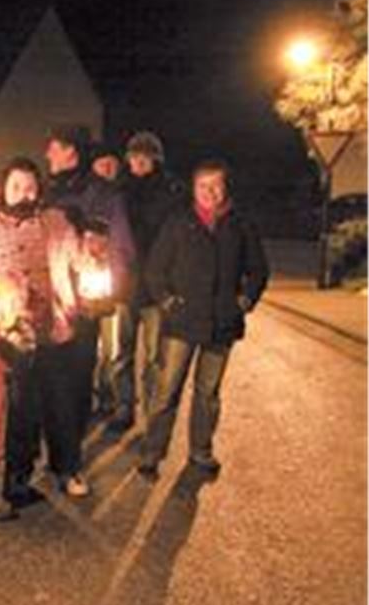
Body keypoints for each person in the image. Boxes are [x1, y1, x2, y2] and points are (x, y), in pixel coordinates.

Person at [0, 158, 95, 504]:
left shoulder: (56, 222)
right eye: (16, 186)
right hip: (12, 333)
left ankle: (67, 467)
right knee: (18, 407)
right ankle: (18, 473)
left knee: (61, 402)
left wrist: (93, 256)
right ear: (4, 189)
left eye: (31, 186)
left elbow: (80, 259)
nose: (24, 194)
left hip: (55, 327)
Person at [138, 159, 269, 479]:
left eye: (216, 185)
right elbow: (155, 269)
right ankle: (152, 453)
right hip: (181, 323)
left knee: (207, 394)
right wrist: (168, 302)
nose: (210, 192)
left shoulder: (241, 225)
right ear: (194, 189)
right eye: (203, 186)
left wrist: (245, 300)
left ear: (226, 188)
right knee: (167, 391)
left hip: (222, 323)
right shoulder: (178, 222)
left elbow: (259, 269)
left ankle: (201, 452)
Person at [44, 126, 134, 487]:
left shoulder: (102, 195)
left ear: (71, 153)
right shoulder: (47, 191)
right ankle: (56, 458)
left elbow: (121, 246)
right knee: (50, 384)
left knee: (76, 384)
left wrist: (105, 291)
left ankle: (70, 463)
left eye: (53, 148)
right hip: (46, 305)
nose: (48, 155)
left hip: (83, 306)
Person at [111, 130, 187, 431]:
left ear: (156, 159)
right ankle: (124, 405)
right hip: (125, 286)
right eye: (134, 155)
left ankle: (152, 413)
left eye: (145, 156)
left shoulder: (170, 192)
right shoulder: (119, 192)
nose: (139, 161)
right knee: (122, 353)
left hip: (156, 288)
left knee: (155, 357)